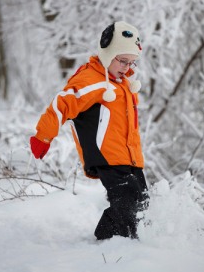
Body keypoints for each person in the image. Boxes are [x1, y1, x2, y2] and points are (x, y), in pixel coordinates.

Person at [30, 21, 149, 240]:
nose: (126, 67)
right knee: (126, 201)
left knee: (142, 201)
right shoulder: (90, 80)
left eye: (131, 62)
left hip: (130, 158)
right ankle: (118, 245)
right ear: (107, 53)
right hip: (107, 156)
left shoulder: (122, 84)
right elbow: (61, 104)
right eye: (122, 60)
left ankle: (115, 238)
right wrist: (43, 136)